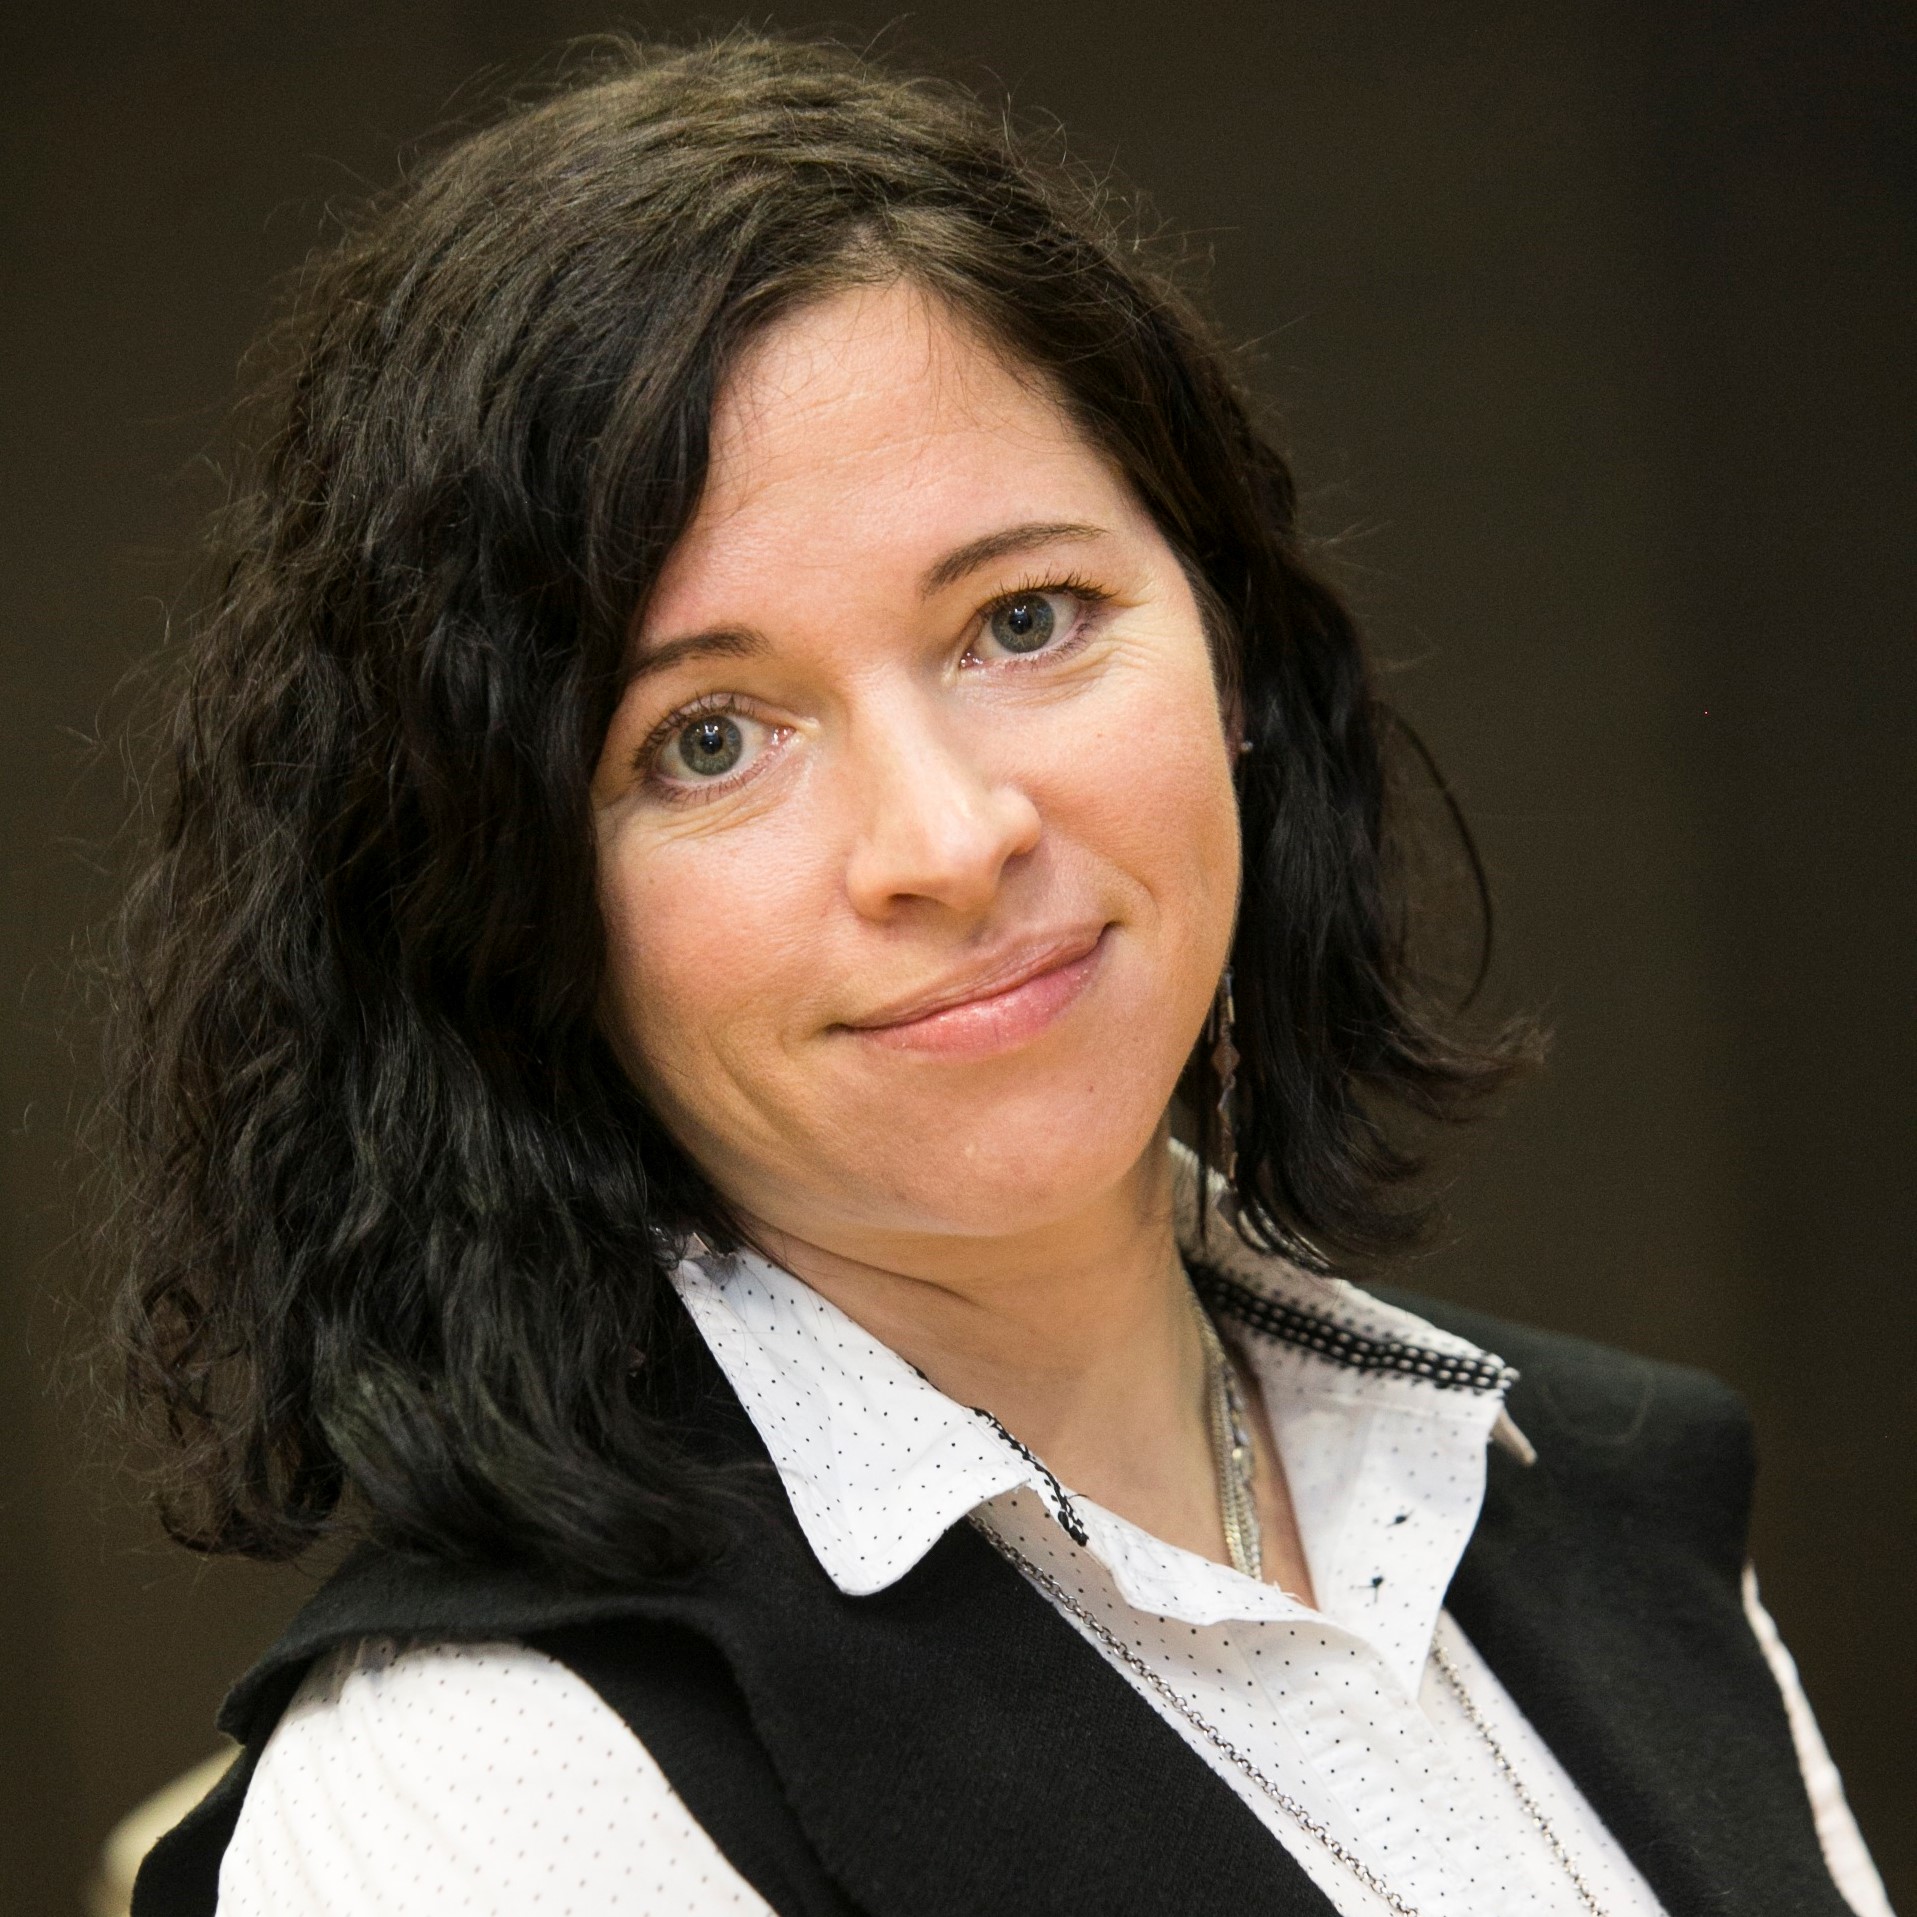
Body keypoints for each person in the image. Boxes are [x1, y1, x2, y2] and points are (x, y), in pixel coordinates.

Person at [109, 33, 1890, 1917]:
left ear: (1224, 643)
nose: (948, 838)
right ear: (504, 900)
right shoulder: (496, 1784)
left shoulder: (1605, 1499)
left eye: (1021, 620)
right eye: (709, 739)